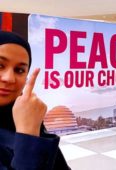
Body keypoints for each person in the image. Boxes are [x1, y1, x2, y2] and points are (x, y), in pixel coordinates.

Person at [0, 31, 70, 169]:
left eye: (19, 70)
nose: (9, 78)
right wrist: (28, 137)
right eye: (0, 65)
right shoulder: (27, 125)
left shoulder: (24, 116)